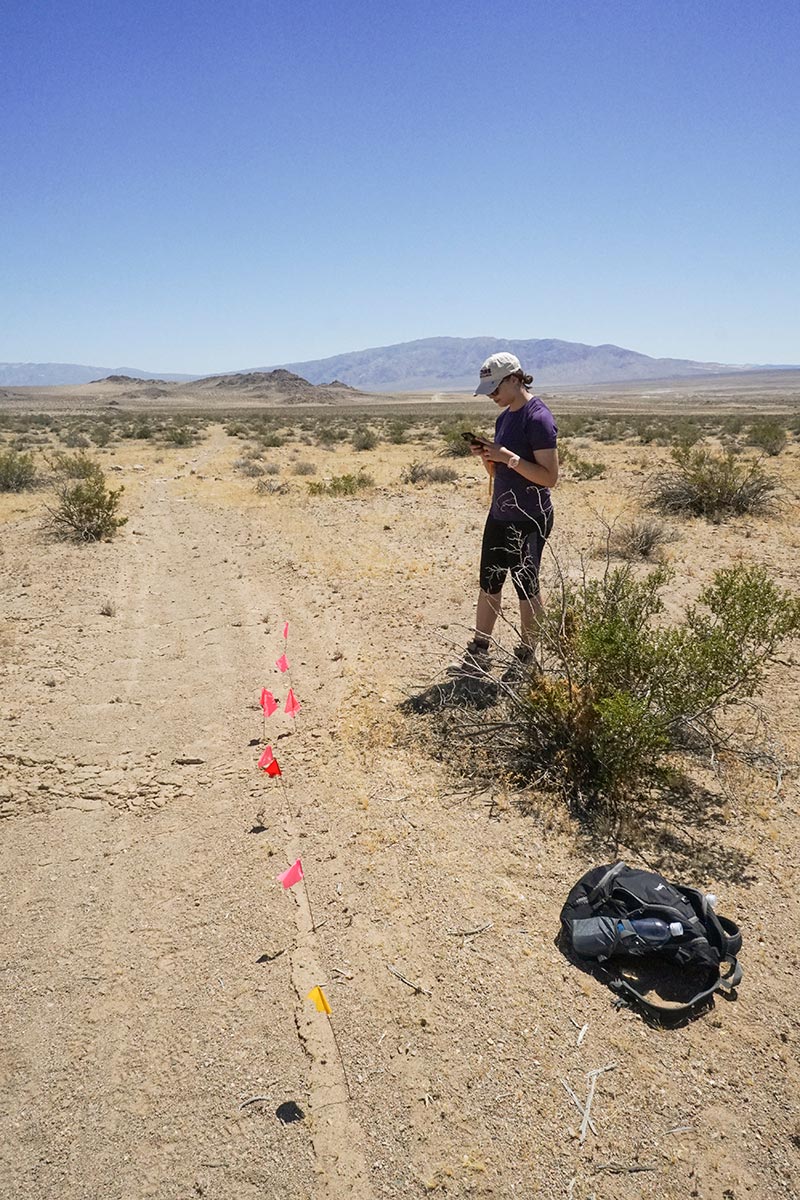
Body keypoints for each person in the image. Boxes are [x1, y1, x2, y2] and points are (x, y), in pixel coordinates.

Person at [460, 352, 559, 679]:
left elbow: (549, 478)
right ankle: (479, 648)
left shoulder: (538, 418)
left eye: (494, 388)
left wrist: (509, 457)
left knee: (525, 586)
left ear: (515, 379)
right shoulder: (504, 418)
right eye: (487, 389)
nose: (491, 395)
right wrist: (487, 456)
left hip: (529, 517)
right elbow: (498, 469)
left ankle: (528, 654)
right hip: (500, 513)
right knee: (489, 582)